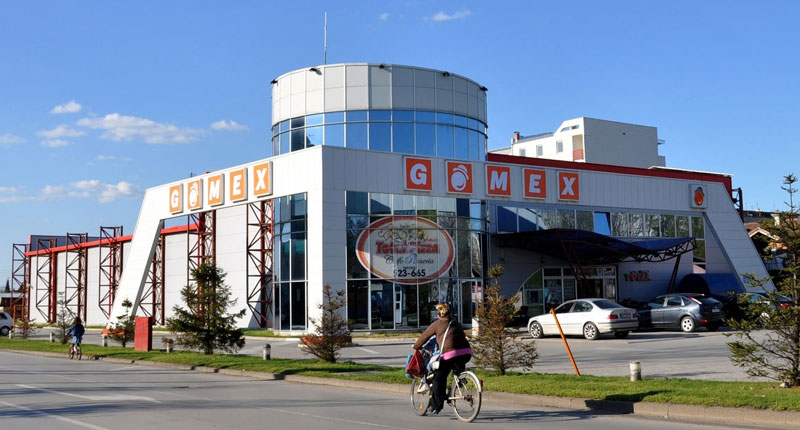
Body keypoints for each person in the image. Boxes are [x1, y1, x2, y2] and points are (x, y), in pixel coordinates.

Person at [412, 303, 472, 416]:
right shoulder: (456, 323)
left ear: (439, 314)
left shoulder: (437, 324)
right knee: (456, 369)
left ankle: (436, 406)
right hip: (466, 353)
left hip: (450, 354)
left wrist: (416, 346)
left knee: (439, 377)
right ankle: (460, 382)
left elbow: (424, 336)